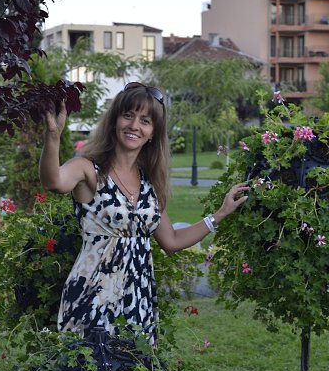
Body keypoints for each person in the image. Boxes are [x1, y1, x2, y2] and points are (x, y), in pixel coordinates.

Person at [39, 82, 248, 346]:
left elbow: (171, 241)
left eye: (145, 121)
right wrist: (53, 135)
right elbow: (54, 181)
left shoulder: (150, 183)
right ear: (115, 121)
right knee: (89, 368)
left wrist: (219, 214)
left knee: (134, 369)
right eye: (128, 115)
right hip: (92, 296)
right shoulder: (88, 169)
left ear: (152, 133)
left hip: (138, 299)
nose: (134, 125)